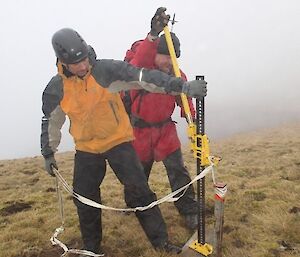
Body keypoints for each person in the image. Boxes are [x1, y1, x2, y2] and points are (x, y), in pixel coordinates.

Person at [40, 27, 207, 255]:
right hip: (87, 149)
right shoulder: (56, 88)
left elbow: (144, 77)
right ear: (63, 62)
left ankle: (161, 242)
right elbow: (51, 120)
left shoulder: (106, 71)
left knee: (141, 192)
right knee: (85, 199)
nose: (83, 66)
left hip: (120, 143)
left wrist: (183, 87)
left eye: (84, 59)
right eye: (76, 63)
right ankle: (92, 248)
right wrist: (48, 153)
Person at [122, 7, 198, 230]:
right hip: (140, 132)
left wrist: (194, 123)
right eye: (165, 56)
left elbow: (185, 102)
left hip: (165, 130)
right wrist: (152, 36)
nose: (169, 61)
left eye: (173, 57)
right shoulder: (140, 70)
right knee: (138, 174)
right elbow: (139, 62)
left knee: (178, 171)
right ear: (155, 52)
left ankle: (188, 209)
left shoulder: (176, 73)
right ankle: (136, 206)